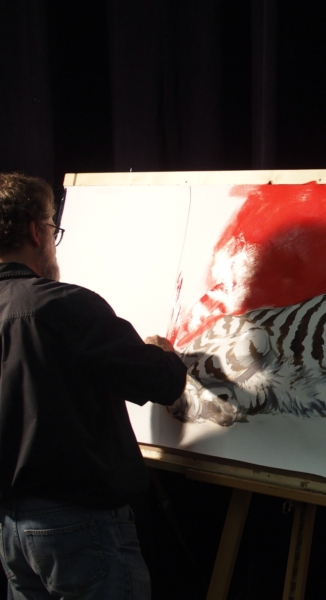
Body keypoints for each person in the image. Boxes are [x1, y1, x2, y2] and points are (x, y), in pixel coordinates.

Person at [0, 173, 188, 599]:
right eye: (52, 228)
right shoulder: (61, 305)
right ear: (35, 230)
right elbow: (162, 382)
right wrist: (162, 352)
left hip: (10, 529)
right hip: (79, 527)